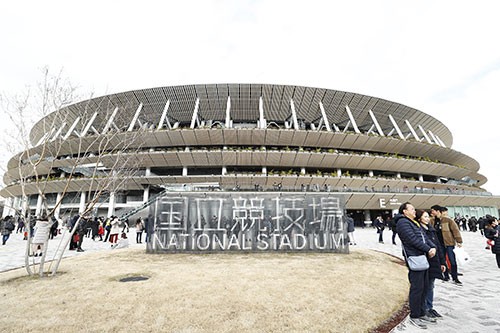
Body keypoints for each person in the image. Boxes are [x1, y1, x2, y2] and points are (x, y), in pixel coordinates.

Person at [396, 202, 437, 329]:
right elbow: (412, 240)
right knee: (417, 288)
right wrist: (427, 249)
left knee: (424, 286)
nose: (415, 211)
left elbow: (424, 237)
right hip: (415, 258)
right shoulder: (403, 223)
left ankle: (421, 312)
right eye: (412, 209)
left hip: (422, 257)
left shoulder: (415, 223)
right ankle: (414, 315)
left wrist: (433, 247)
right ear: (404, 211)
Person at [416, 209, 446, 319]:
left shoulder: (431, 230)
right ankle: (424, 308)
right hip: (425, 261)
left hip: (435, 261)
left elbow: (438, 247)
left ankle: (430, 307)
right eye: (425, 217)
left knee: (431, 286)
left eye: (428, 217)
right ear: (419, 219)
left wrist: (442, 262)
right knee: (426, 286)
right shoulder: (419, 231)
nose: (428, 219)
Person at [430, 205, 463, 285]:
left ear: (438, 211)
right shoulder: (432, 221)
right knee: (443, 260)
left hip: (449, 243)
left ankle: (455, 278)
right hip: (439, 245)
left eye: (433, 210)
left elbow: (455, 230)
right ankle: (445, 276)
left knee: (452, 261)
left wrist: (459, 241)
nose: (432, 212)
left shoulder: (448, 220)